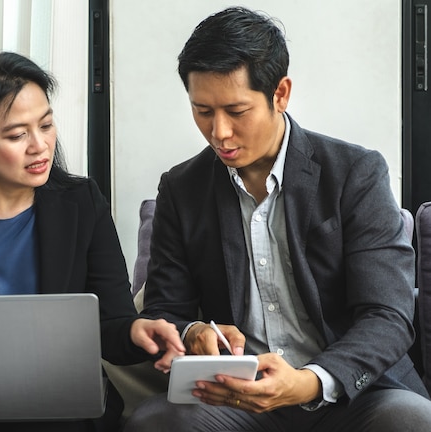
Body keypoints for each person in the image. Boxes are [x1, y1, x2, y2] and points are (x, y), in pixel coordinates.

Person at [123, 6, 431, 432]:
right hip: (236, 399)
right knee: (154, 422)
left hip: (351, 393)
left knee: (412, 420)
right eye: (203, 111)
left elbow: (388, 316)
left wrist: (309, 382)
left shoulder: (355, 173)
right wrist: (194, 331)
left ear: (280, 94)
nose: (220, 133)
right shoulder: (182, 187)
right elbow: (166, 309)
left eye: (236, 110)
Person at [0, 51, 185, 431]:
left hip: (59, 413)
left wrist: (135, 331)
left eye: (45, 125)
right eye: (17, 134)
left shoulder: (81, 202)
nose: (39, 145)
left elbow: (110, 324)